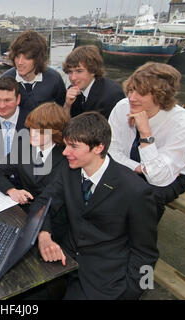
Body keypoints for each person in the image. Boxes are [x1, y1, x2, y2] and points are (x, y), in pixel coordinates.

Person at [30, 111, 159, 299]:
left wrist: (131, 293)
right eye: (66, 145)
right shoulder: (68, 169)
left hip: (104, 281)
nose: (65, 152)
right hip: (63, 262)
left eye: (73, 147)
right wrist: (44, 236)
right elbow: (43, 202)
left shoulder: (135, 191)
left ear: (98, 147)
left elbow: (146, 253)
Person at [108, 62, 185, 222]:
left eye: (141, 93)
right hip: (130, 166)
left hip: (170, 176)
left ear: (161, 95)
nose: (131, 97)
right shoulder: (122, 107)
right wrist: (138, 168)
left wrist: (145, 133)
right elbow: (111, 150)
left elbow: (159, 178)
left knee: (147, 196)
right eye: (130, 90)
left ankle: (141, 241)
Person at [0, 102, 69, 242]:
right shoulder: (24, 147)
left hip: (54, 225)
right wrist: (12, 190)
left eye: (40, 131)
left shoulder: (67, 158)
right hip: (22, 214)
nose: (32, 134)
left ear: (55, 132)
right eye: (31, 128)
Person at [2, 30, 66, 112]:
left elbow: (61, 110)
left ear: (38, 59)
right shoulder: (6, 79)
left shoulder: (54, 79)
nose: (20, 62)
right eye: (17, 56)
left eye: (27, 57)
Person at [62, 45, 125, 119]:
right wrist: (67, 105)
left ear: (93, 70)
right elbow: (64, 125)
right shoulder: (73, 91)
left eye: (79, 71)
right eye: (70, 72)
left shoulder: (112, 94)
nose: (73, 78)